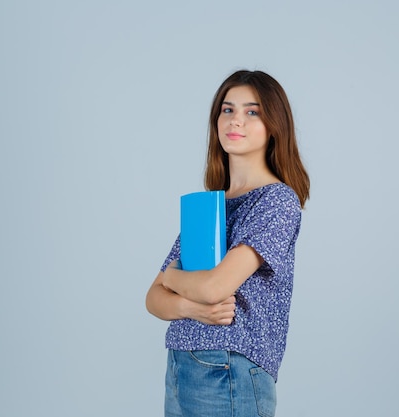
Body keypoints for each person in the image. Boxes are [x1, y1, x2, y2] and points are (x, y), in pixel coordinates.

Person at [145, 69, 310, 417]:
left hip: (227, 369)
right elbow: (153, 299)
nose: (236, 120)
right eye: (227, 109)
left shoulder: (276, 201)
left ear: (274, 126)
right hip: (181, 366)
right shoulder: (210, 205)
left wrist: (173, 279)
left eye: (253, 111)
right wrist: (190, 308)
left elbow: (215, 286)